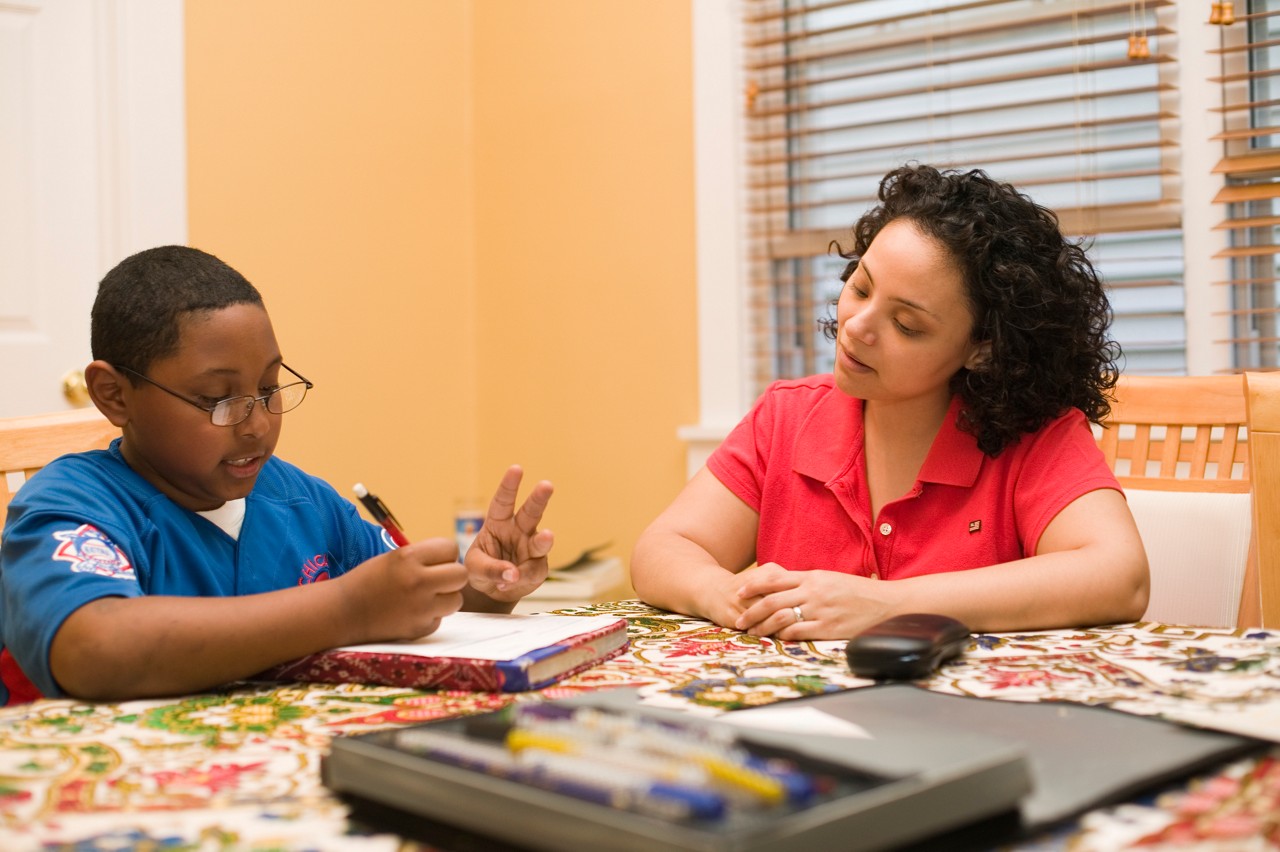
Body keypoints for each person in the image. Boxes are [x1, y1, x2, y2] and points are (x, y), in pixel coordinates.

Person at [0, 245, 555, 704]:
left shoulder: (301, 501)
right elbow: (93, 650)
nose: (257, 425)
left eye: (269, 390)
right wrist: (346, 609)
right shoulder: (72, 504)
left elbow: (400, 603)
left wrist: (480, 588)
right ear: (115, 395)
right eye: (218, 399)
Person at [631, 164, 1149, 640]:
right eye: (861, 288)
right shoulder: (786, 417)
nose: (856, 327)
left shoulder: (1036, 434)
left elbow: (1119, 578)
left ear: (982, 350)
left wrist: (885, 605)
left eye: (906, 324)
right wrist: (727, 596)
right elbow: (661, 550)